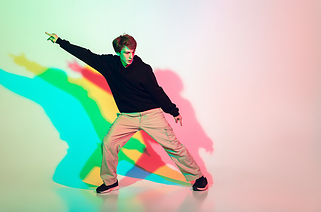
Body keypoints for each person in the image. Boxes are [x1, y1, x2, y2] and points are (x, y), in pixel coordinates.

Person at [45, 32, 208, 194]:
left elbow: (157, 91)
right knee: (109, 143)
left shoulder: (143, 69)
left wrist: (173, 110)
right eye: (127, 52)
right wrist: (61, 42)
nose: (131, 56)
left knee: (173, 146)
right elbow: (87, 55)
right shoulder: (108, 64)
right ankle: (110, 182)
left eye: (133, 52)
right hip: (127, 117)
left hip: (151, 114)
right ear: (118, 52)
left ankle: (199, 177)